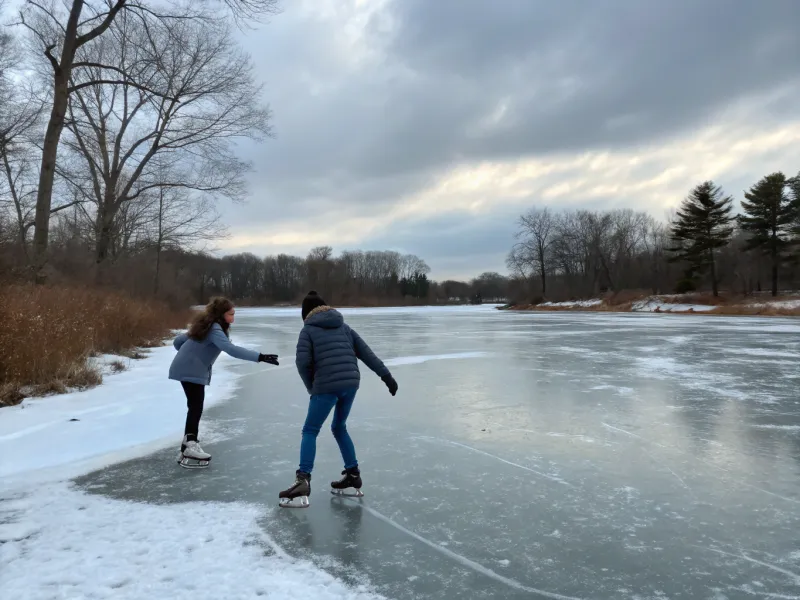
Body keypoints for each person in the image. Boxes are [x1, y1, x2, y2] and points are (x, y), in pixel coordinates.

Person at [279, 291, 398, 507]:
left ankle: (303, 479)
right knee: (339, 427)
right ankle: (353, 474)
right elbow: (366, 353)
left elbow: (302, 363)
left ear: (305, 313)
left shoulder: (308, 330)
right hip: (351, 383)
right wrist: (386, 376)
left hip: (326, 386)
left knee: (310, 430)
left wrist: (312, 387)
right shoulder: (344, 327)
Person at [169, 297, 278, 468]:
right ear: (221, 314)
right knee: (196, 405)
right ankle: (190, 444)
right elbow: (231, 349)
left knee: (195, 405)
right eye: (231, 314)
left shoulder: (204, 325)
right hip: (191, 370)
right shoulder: (214, 329)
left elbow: (178, 342)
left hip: (186, 368)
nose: (233, 318)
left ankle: (186, 446)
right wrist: (260, 356)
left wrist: (190, 352)